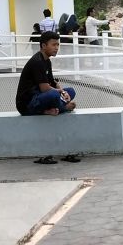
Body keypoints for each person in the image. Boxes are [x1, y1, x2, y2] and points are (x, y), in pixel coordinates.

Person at [15, 31, 80, 164]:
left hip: (40, 97)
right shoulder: (37, 61)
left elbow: (52, 82)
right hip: (27, 104)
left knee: (71, 91)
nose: (56, 48)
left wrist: (62, 91)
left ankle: (51, 109)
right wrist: (59, 93)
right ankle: (61, 108)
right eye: (53, 44)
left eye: (58, 44)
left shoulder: (46, 61)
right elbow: (45, 88)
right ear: (43, 45)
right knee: (54, 94)